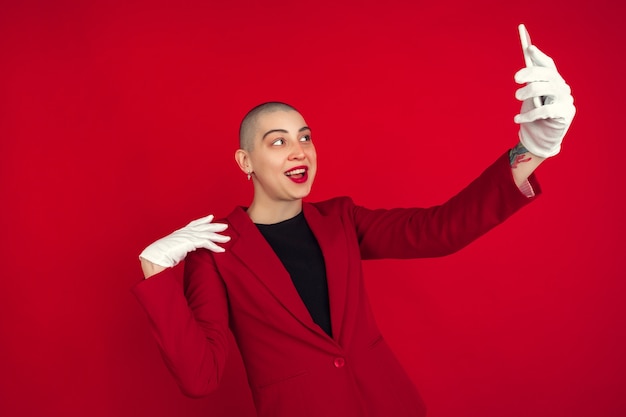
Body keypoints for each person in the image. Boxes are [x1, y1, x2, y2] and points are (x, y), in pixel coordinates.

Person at [132, 35, 575, 417]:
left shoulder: (341, 220)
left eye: (305, 137)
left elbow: (441, 230)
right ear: (245, 161)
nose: (298, 151)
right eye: (278, 141)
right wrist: (155, 269)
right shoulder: (217, 253)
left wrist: (532, 147)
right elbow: (200, 377)